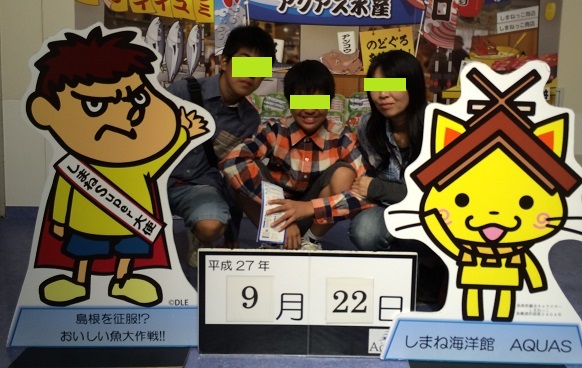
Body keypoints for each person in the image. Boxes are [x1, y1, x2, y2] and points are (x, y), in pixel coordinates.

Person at [26, 25, 209, 306]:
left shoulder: (139, 162)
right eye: (96, 105)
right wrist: (60, 222)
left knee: (129, 251)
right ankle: (78, 281)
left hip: (132, 224)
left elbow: (162, 161)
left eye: (138, 98)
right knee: (84, 251)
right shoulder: (76, 166)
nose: (126, 114)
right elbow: (63, 192)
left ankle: (123, 280)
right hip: (86, 222)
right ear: (46, 112)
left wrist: (183, 134)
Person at [221, 60, 372, 250]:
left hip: (316, 216)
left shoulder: (342, 137)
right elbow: (231, 162)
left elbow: (365, 193)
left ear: (330, 101)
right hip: (273, 213)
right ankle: (273, 237)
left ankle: (311, 240)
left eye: (318, 101)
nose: (309, 110)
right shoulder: (275, 129)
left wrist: (308, 208)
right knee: (241, 170)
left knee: (344, 173)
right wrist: (282, 214)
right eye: (301, 101)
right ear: (289, 101)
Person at [167, 25, 275, 267]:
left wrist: (231, 234)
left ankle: (198, 232)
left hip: (200, 189)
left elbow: (234, 177)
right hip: (155, 181)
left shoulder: (250, 120)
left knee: (211, 226)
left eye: (259, 68)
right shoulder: (181, 92)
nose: (250, 75)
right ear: (224, 62)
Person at [348, 50, 427, 252]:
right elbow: (365, 181)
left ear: (413, 85)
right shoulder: (368, 125)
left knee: (414, 236)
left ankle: (427, 264)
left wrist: (379, 188)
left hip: (432, 213)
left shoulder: (437, 124)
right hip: (387, 208)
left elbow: (435, 196)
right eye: (375, 87)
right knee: (364, 230)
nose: (383, 94)